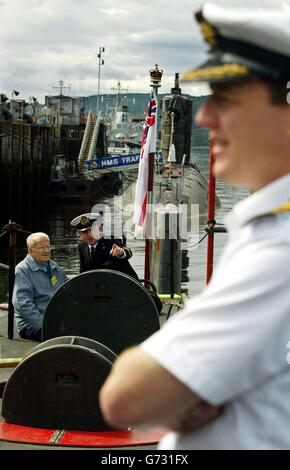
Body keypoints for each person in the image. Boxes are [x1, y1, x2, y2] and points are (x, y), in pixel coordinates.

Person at [99, 4, 290, 450]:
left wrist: (180, 391)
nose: (204, 118)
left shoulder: (279, 245)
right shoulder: (263, 227)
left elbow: (125, 397)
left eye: (227, 100)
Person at [13, 232, 68, 341]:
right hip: (32, 326)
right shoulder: (22, 270)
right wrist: (45, 325)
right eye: (41, 247)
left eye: (48, 246)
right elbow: (22, 303)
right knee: (69, 336)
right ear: (30, 251)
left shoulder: (53, 265)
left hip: (56, 320)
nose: (47, 250)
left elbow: (69, 289)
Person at [70, 213, 139, 280]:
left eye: (92, 230)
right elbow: (83, 274)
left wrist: (121, 252)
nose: (90, 235)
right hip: (102, 287)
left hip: (128, 287)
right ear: (80, 234)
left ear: (100, 228)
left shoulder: (110, 241)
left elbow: (128, 252)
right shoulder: (81, 246)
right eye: (85, 232)